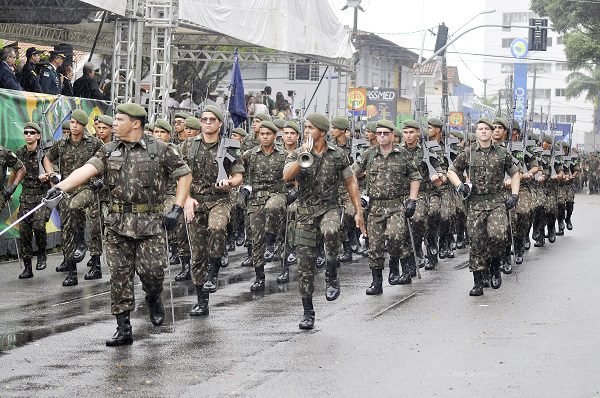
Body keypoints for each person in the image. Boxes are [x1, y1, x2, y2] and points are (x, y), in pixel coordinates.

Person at [44, 103, 191, 346]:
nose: (114, 123)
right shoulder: (108, 150)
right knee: (120, 276)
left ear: (136, 123)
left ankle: (154, 296)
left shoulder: (161, 150)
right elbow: (87, 170)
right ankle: (123, 327)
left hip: (150, 224)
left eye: (120, 119)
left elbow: (184, 174)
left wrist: (177, 206)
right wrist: (60, 187)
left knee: (152, 273)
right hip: (117, 223)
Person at [283, 113, 366, 330]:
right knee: (305, 265)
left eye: (311, 127)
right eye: (306, 127)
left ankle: (331, 271)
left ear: (322, 131)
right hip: (304, 212)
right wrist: (303, 156)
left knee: (331, 231)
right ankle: (308, 312)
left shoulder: (337, 155)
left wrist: (358, 211)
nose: (307, 131)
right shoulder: (297, 153)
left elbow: (351, 182)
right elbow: (286, 176)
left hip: (329, 207)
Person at [181, 105, 244, 317]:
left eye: (212, 120)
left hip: (220, 200)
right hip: (196, 202)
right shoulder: (187, 146)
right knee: (197, 253)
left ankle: (214, 271)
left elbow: (238, 175)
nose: (207, 123)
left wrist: (229, 183)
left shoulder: (229, 147)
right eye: (204, 119)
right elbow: (178, 176)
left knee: (217, 227)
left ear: (220, 123)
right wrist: (186, 198)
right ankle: (202, 300)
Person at [447, 118, 520, 296]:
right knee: (477, 241)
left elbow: (515, 172)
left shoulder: (502, 153)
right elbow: (451, 171)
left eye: (488, 129)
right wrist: (459, 185)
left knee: (498, 235)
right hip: (475, 203)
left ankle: (495, 264)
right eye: (480, 129)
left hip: (496, 202)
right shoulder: (468, 153)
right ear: (476, 132)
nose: (484, 131)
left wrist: (514, 195)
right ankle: (478, 281)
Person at [354, 119, 421, 294]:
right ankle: (377, 282)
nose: (382, 136)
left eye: (386, 133)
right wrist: (358, 195)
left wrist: (412, 200)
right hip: (375, 207)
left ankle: (394, 265)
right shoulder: (369, 154)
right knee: (374, 246)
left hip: (396, 205)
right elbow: (352, 175)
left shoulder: (403, 154)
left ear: (392, 135)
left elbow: (415, 176)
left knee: (395, 236)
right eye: (379, 133)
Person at [43, 109, 104, 286]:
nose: (73, 125)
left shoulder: (94, 143)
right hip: (67, 188)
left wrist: (101, 179)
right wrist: (52, 174)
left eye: (77, 123)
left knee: (93, 225)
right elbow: (47, 159)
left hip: (88, 188)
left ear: (84, 125)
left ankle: (94, 260)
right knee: (67, 228)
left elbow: (106, 161)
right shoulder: (61, 144)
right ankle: (71, 270)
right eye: (72, 122)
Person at [242, 121, 287, 291]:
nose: (265, 137)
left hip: (277, 195)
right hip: (256, 200)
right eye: (262, 134)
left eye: (268, 134)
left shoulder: (283, 155)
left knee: (272, 207)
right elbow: (239, 170)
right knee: (256, 238)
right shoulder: (250, 155)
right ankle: (259, 276)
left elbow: (292, 175)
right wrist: (244, 186)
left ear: (275, 136)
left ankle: (271, 241)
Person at [15, 122, 51, 278]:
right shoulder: (19, 153)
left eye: (32, 132)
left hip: (42, 197)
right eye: (26, 132)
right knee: (24, 232)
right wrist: (9, 190)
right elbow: (14, 173)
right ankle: (28, 267)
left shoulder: (45, 154)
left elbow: (53, 175)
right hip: (26, 196)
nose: (28, 135)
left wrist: (47, 177)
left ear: (38, 135)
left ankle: (42, 252)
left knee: (38, 225)